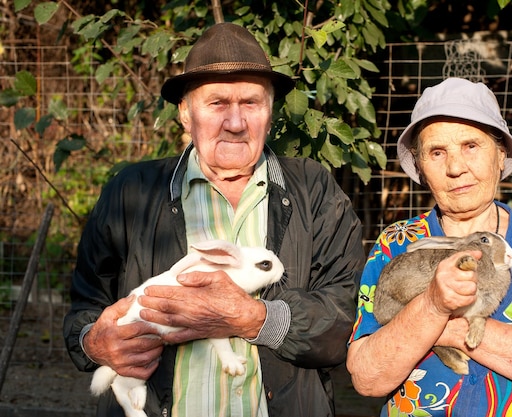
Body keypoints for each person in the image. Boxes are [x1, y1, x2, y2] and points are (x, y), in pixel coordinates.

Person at [63, 22, 365, 417]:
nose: (236, 123)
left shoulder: (314, 190)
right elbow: (85, 308)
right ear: (186, 114)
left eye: (251, 103)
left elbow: (345, 315)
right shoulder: (132, 191)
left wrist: (254, 318)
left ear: (270, 113)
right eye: (218, 104)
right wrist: (94, 341)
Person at [346, 77, 512, 416]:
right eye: (437, 153)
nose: (456, 168)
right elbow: (367, 378)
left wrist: (453, 327)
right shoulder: (399, 244)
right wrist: (432, 306)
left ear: (500, 156)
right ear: (421, 167)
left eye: (471, 146)